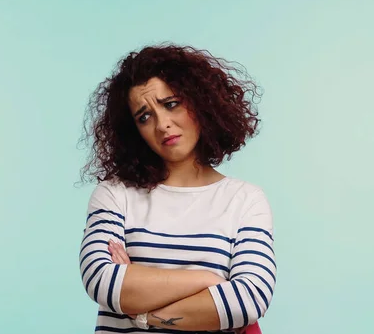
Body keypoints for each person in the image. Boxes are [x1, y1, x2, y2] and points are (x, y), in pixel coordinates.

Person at [78, 43, 276, 333]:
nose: (162, 125)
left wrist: (141, 312)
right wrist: (208, 281)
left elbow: (248, 300)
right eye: (144, 117)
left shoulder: (245, 200)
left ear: (200, 102)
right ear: (133, 131)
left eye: (171, 104)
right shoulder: (114, 194)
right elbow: (102, 280)